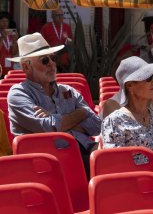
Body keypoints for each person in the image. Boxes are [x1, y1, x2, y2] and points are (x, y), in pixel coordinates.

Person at [6, 33, 100, 175]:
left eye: (53, 58)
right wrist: (79, 114)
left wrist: (56, 118)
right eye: (44, 60)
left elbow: (97, 126)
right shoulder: (18, 93)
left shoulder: (68, 90)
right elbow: (47, 128)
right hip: (48, 163)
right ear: (26, 67)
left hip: (85, 151)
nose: (52, 64)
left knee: (118, 158)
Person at [101, 56, 153, 213]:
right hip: (139, 184)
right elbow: (114, 166)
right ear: (130, 86)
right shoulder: (114, 121)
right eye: (147, 78)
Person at [0, 11, 19, 75]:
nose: (4, 23)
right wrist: (2, 38)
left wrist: (14, 41)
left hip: (9, 66)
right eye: (2, 21)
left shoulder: (11, 34)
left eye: (6, 21)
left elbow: (14, 53)